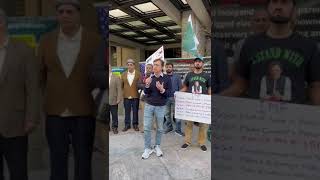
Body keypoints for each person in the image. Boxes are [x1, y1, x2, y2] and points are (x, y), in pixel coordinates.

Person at [38, 1, 107, 180]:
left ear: (78, 14)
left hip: (83, 111)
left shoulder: (95, 40)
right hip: (54, 111)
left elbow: (101, 73)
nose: (65, 15)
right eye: (61, 12)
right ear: (57, 15)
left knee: (83, 163)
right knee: (57, 162)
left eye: (69, 11)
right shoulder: (46, 41)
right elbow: (40, 76)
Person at [221, 0, 320, 105]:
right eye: (274, 2)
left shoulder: (308, 46)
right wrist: (216, 100)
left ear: (293, 9)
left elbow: (315, 87)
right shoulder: (250, 44)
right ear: (268, 7)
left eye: (284, 2)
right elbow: (240, 85)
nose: (279, 6)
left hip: (294, 119)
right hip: (255, 117)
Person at [0, 8, 40, 180]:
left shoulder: (24, 50)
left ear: (2, 23)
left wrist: (31, 117)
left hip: (15, 124)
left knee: (18, 173)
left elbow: (32, 88)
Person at [142, 59, 171, 159]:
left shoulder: (167, 79)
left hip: (160, 107)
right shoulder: (150, 77)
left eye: (157, 65)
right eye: (154, 65)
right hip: (149, 105)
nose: (154, 67)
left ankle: (157, 146)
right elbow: (146, 92)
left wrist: (162, 90)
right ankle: (147, 148)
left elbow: (169, 94)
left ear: (162, 67)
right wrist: (147, 85)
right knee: (146, 128)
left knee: (160, 128)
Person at [180, 57, 211, 152]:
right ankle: (187, 141)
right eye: (196, 62)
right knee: (188, 123)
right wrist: (178, 93)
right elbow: (185, 87)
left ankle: (201, 143)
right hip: (191, 104)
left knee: (203, 124)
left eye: (199, 62)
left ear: (202, 64)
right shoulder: (189, 75)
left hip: (202, 104)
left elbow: (209, 88)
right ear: (194, 64)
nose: (197, 63)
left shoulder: (207, 75)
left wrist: (210, 98)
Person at [163, 63, 184, 136]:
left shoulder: (177, 76)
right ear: (165, 68)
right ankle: (169, 127)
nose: (168, 68)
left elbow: (181, 87)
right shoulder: (163, 76)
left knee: (177, 115)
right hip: (166, 98)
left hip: (176, 98)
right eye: (167, 67)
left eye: (170, 67)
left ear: (172, 68)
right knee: (167, 114)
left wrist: (179, 96)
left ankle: (178, 130)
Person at [121, 59, 141, 132]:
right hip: (126, 96)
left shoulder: (138, 74)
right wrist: (123, 93)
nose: (129, 66)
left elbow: (140, 85)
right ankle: (127, 125)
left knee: (135, 111)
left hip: (135, 96)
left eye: (131, 65)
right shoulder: (123, 74)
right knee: (127, 111)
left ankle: (135, 124)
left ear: (134, 65)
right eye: (128, 65)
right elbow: (121, 85)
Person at [138, 63, 156, 133]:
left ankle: (155, 126)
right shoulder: (142, 76)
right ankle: (143, 127)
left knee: (154, 113)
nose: (148, 69)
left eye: (149, 68)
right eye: (147, 68)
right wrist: (146, 85)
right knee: (144, 114)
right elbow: (138, 85)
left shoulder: (155, 76)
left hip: (153, 98)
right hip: (144, 98)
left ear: (152, 69)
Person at [108, 64, 122, 134]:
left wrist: (119, 98)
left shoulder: (116, 77)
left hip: (113, 99)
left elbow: (119, 89)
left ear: (111, 68)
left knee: (114, 115)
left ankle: (115, 127)